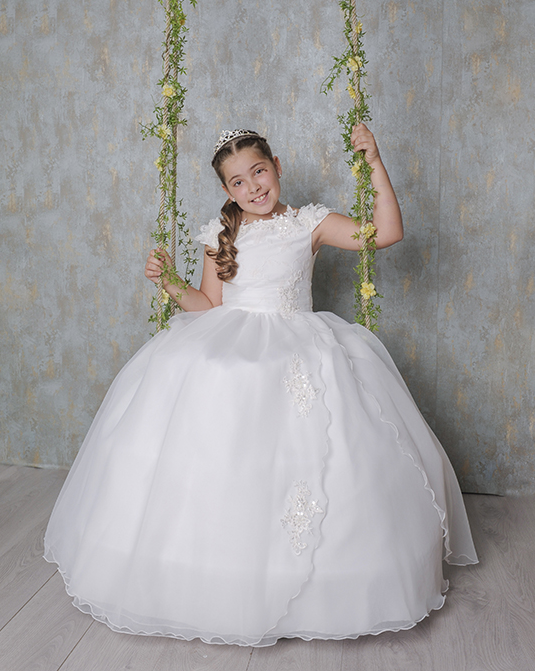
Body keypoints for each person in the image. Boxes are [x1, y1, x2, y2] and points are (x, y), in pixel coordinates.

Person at [43, 124, 478, 647]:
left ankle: (329, 580)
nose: (253, 187)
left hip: (298, 343)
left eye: (259, 171)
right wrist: (170, 283)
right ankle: (216, 574)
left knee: (323, 448)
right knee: (223, 401)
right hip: (230, 343)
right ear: (227, 190)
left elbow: (386, 232)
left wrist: (374, 162)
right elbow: (208, 306)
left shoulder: (309, 223)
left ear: (277, 167)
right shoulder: (219, 235)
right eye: (238, 181)